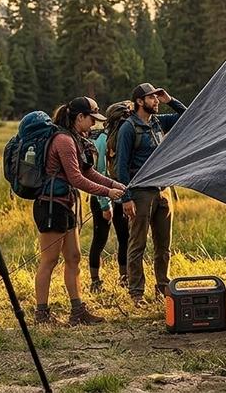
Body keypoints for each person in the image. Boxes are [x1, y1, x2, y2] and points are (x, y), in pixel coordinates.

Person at [34, 97, 126, 325]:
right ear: (79, 117)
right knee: (49, 260)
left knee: (73, 257)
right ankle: (41, 314)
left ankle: (78, 311)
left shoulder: (76, 138)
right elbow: (77, 178)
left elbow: (89, 171)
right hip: (51, 206)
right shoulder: (64, 140)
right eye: (91, 119)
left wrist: (114, 184)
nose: (94, 124)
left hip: (66, 205)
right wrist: (107, 193)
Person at [118, 83, 186, 302]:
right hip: (140, 193)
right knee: (137, 244)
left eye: (157, 98)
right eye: (152, 98)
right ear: (140, 101)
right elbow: (121, 166)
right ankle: (136, 293)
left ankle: (163, 289)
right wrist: (126, 198)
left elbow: (188, 116)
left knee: (163, 246)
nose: (156, 101)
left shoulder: (158, 122)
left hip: (162, 191)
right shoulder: (128, 128)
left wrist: (170, 100)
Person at [86, 102, 132, 292]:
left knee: (125, 238)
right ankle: (95, 281)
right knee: (100, 238)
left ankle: (124, 278)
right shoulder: (104, 140)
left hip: (120, 196)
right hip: (102, 198)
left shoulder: (120, 138)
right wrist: (105, 205)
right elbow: (101, 171)